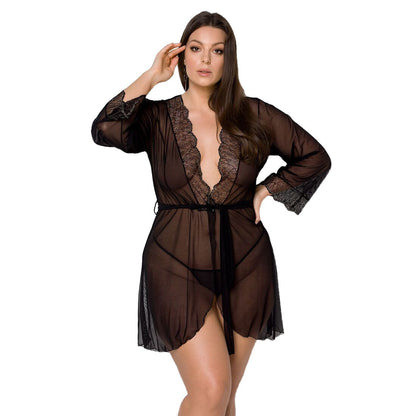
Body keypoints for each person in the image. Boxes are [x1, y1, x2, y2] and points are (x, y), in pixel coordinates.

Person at [91, 10, 331, 416]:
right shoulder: (157, 117)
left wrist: (266, 190)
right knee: (211, 389)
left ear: (228, 59)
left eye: (217, 51)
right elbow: (105, 129)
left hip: (247, 261)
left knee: (225, 397)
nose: (205, 59)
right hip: (174, 261)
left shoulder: (255, 114)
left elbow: (314, 157)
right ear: (181, 56)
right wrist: (150, 77)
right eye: (196, 49)